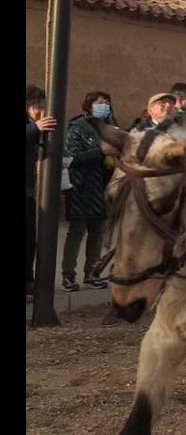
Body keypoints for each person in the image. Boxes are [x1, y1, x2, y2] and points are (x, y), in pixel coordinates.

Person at [62, 91, 120, 291]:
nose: (104, 106)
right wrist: (101, 152)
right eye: (99, 103)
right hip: (82, 187)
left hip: (105, 187)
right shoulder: (77, 128)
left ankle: (92, 273)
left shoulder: (112, 128)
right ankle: (68, 275)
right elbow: (72, 158)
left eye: (107, 102)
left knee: (98, 233)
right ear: (89, 106)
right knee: (77, 232)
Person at [26, 86, 56, 299]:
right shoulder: (32, 126)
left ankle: (29, 282)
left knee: (30, 241)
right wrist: (34, 128)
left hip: (28, 191)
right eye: (39, 106)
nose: (42, 111)